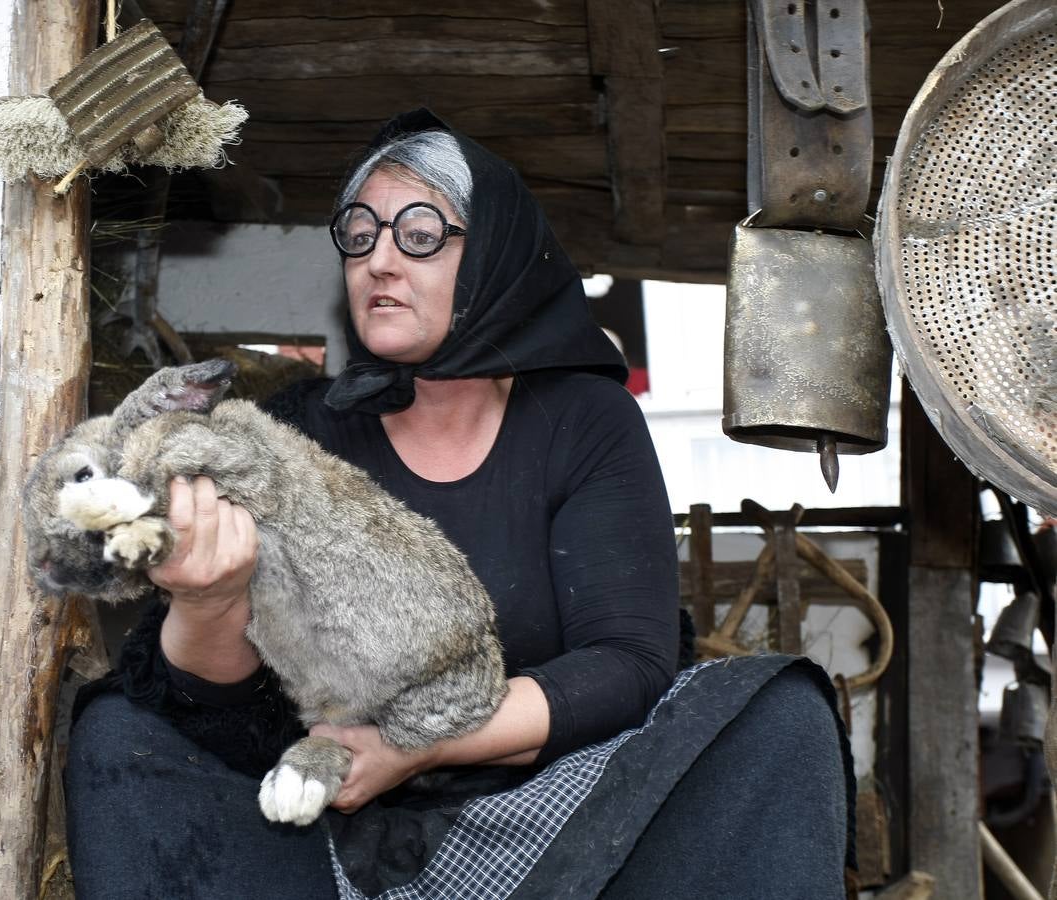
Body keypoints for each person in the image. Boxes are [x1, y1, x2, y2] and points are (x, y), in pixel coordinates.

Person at [64, 109, 854, 899]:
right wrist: (209, 601)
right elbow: (221, 713)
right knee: (118, 734)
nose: (379, 261)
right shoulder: (294, 433)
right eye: (359, 233)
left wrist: (415, 746)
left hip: (558, 816)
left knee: (777, 715)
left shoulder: (582, 420)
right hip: (328, 821)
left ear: (495, 259)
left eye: (419, 235)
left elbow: (629, 663)